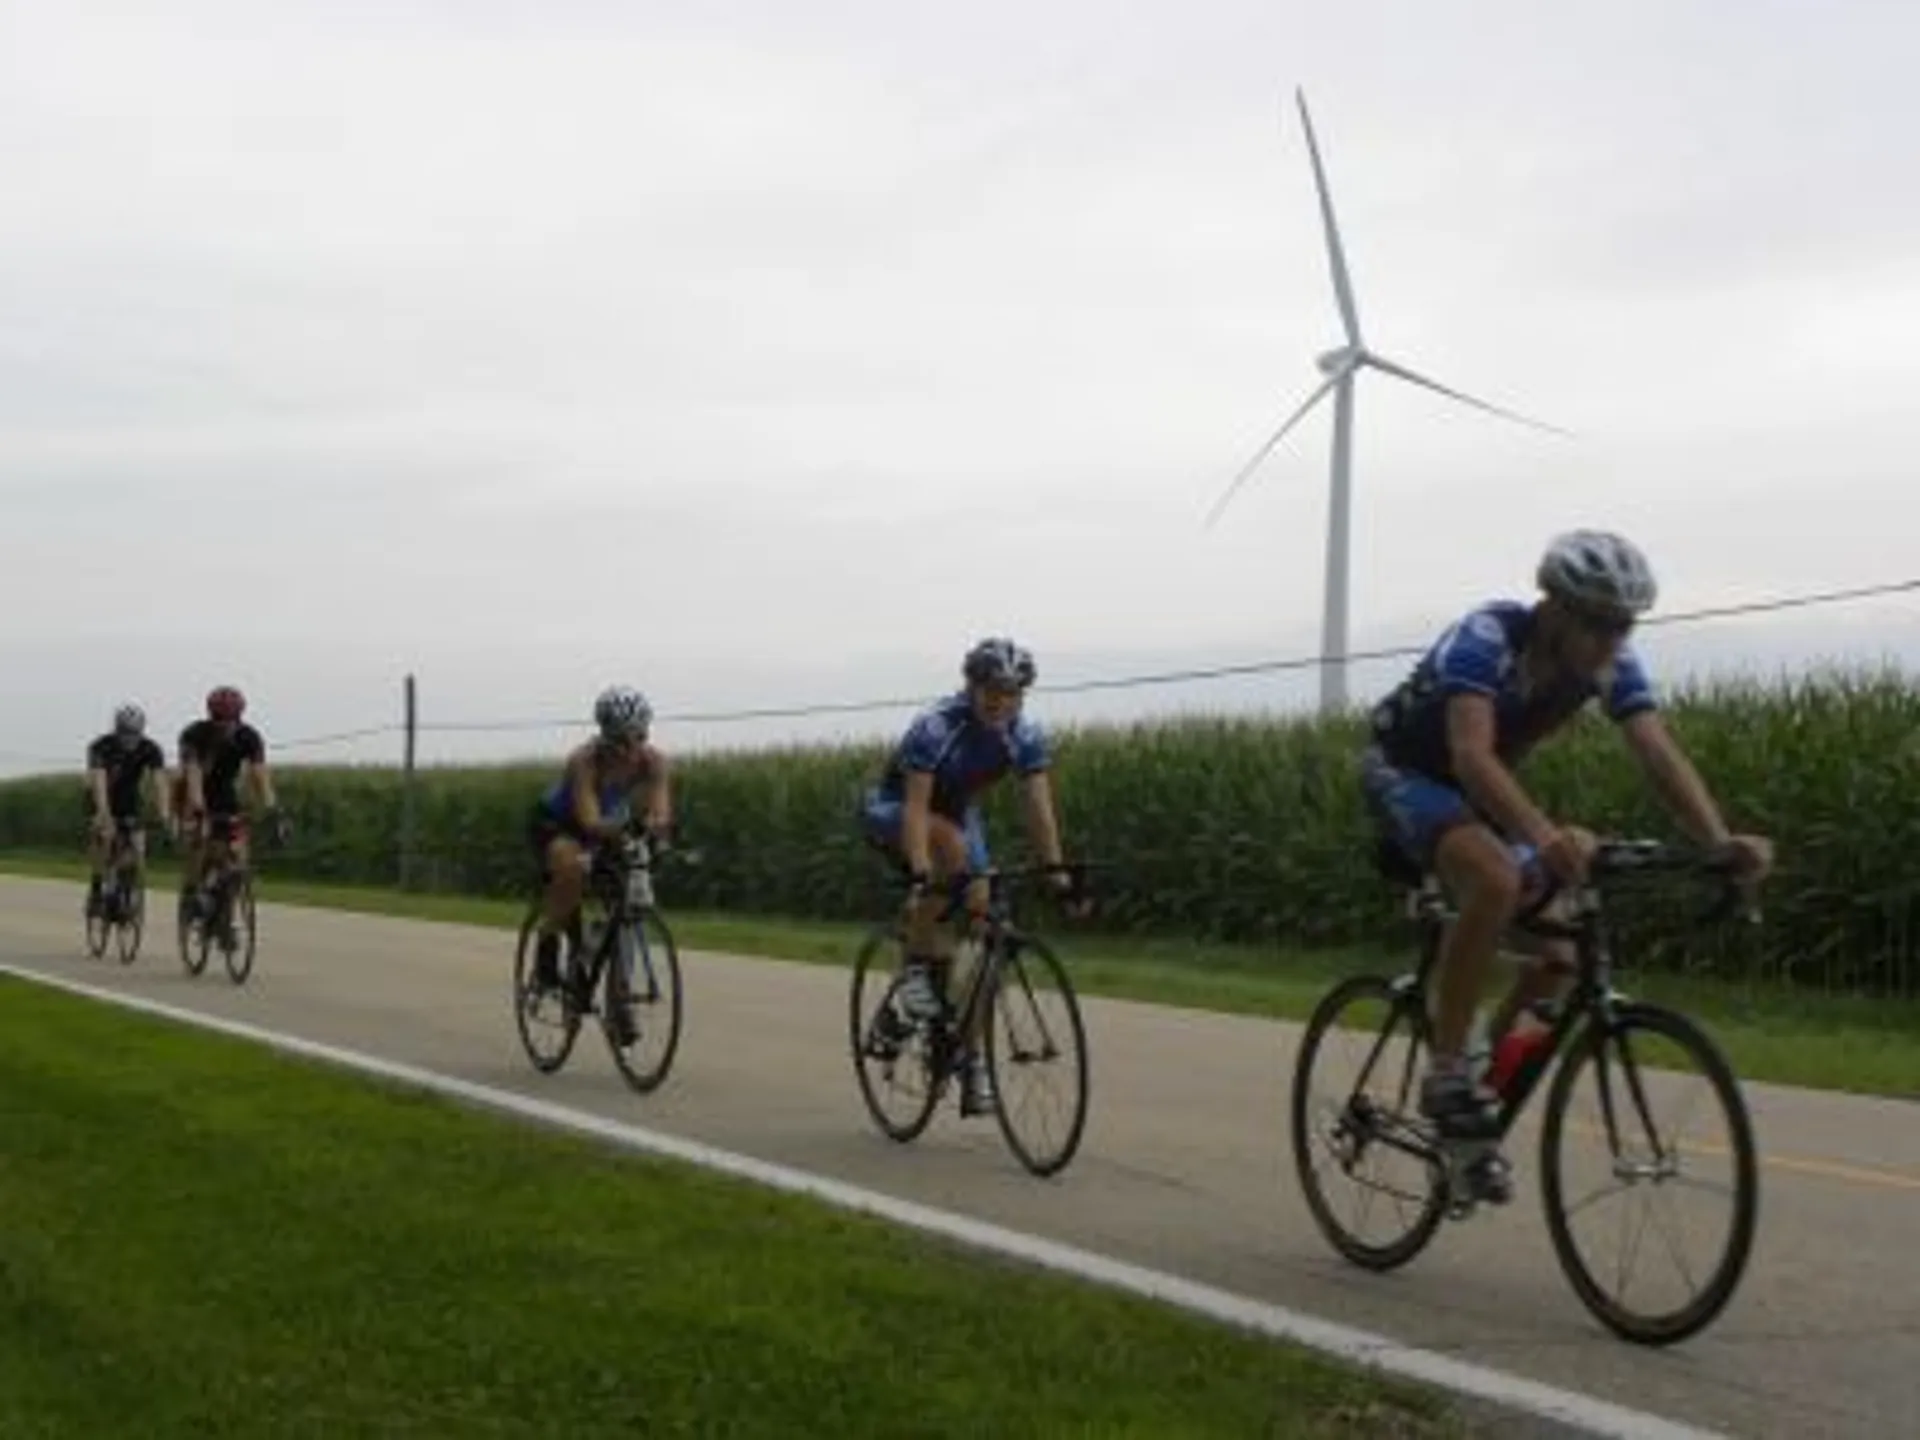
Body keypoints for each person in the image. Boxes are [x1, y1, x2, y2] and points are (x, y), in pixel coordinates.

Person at [1359, 529, 1773, 1199]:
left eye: (1626, 625)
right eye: (1601, 623)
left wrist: (1719, 843)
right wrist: (1545, 834)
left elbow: (1656, 751)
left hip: (1478, 796)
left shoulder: (1608, 663)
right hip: (1408, 772)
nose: (1614, 640)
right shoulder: (1488, 635)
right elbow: (1469, 754)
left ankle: (1476, 1115)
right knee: (1496, 877)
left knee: (1561, 959)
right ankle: (1446, 1069)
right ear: (1555, 607)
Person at [859, 636, 1085, 1117]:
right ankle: (914, 976)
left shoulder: (1023, 735)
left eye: (1012, 693)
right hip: (898, 811)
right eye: (992, 691)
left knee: (986, 933)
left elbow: (1039, 811)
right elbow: (919, 809)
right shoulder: (936, 726)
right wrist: (921, 871)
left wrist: (1058, 876)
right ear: (971, 686)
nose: (1001, 701)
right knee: (947, 850)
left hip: (959, 820)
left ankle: (966, 1056)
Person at [524, 685, 674, 1013]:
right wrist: (628, 829)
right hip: (560, 824)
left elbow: (661, 812)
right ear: (604, 734)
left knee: (626, 893)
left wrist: (656, 830)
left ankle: (610, 987)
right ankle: (547, 949)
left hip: (609, 827)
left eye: (640, 735)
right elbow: (590, 821)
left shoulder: (655, 762)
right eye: (621, 739)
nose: (631, 747)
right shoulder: (584, 761)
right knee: (573, 866)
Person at [177, 685, 288, 926]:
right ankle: (191, 891)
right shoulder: (194, 734)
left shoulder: (249, 736)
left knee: (238, 856)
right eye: (219, 719)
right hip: (193, 792)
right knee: (200, 841)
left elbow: (260, 775)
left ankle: (225, 915)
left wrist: (272, 807)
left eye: (231, 720)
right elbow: (193, 774)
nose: (225, 725)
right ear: (210, 716)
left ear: (239, 717)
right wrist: (197, 808)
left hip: (226, 795)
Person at [83, 703, 173, 916]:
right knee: (103, 837)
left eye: (134, 733)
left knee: (137, 850)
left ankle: (126, 890)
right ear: (116, 729)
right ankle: (97, 887)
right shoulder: (101, 746)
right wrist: (103, 814)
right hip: (100, 796)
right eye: (124, 732)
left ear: (141, 731)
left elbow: (160, 782)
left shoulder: (151, 748)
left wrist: (164, 813)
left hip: (130, 801)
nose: (129, 738)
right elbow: (98, 780)